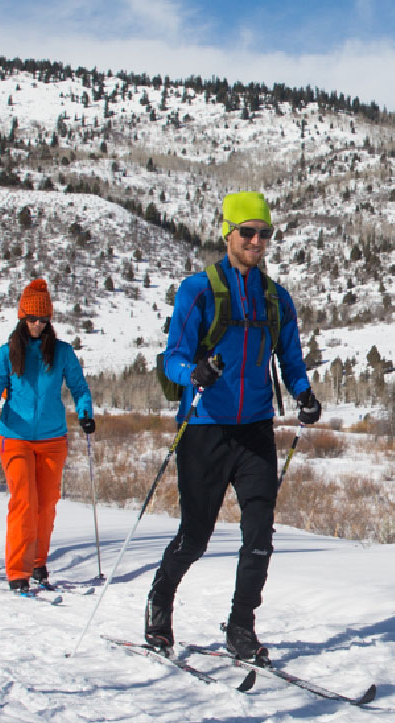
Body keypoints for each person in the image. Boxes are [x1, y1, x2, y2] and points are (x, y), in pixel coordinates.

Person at [146, 191, 321, 659]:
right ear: (228, 234)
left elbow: (290, 358)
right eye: (248, 232)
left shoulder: (276, 298)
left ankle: (241, 625)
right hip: (205, 427)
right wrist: (195, 374)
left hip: (255, 429)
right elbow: (174, 360)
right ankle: (160, 601)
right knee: (196, 535)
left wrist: (303, 393)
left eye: (264, 233)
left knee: (259, 532)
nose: (257, 241)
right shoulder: (197, 291)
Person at [0, 280, 94, 594]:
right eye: (31, 318)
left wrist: (85, 412)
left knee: (46, 504)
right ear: (21, 318)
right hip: (14, 436)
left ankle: (37, 561)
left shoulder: (61, 352)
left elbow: (80, 389)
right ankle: (17, 570)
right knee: (24, 502)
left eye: (43, 320)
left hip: (52, 438)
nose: (37, 324)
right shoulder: (6, 353)